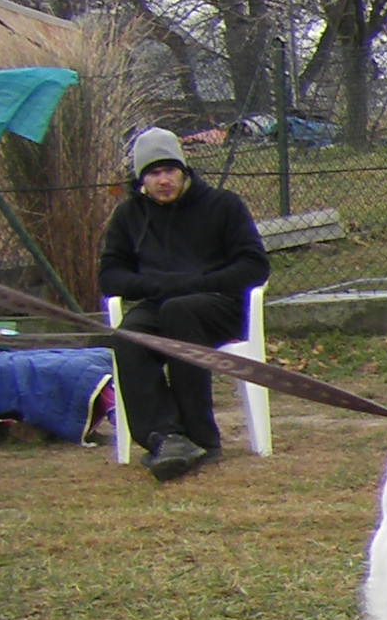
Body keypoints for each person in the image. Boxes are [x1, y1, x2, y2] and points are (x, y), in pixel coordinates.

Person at [98, 128, 269, 483]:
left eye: (170, 171)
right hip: (158, 300)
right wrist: (155, 285)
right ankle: (165, 437)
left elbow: (254, 265)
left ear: (184, 170)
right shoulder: (129, 215)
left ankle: (202, 437)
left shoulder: (223, 205)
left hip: (219, 306)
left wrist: (196, 283)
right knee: (128, 334)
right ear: (141, 179)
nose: (163, 181)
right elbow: (111, 275)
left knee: (181, 311)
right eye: (154, 173)